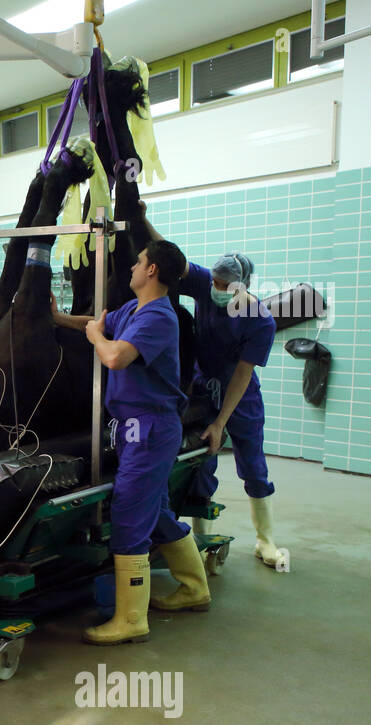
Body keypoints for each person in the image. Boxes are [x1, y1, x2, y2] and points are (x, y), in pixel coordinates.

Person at [52, 240, 211, 645]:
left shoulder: (159, 316)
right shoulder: (134, 310)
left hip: (151, 427)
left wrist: (92, 337)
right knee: (154, 510)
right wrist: (58, 317)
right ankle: (195, 588)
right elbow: (99, 322)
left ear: (152, 270)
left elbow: (114, 356)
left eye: (139, 262)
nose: (133, 267)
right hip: (133, 427)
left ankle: (130, 619)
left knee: (128, 514)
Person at [138, 203, 283, 570]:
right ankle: (202, 539)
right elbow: (173, 257)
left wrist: (222, 422)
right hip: (203, 387)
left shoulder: (259, 320)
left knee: (252, 462)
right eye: (214, 282)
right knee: (201, 460)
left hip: (239, 393)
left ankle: (265, 540)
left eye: (223, 285)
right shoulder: (205, 287)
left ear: (242, 286)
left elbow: (242, 374)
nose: (216, 288)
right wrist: (140, 218)